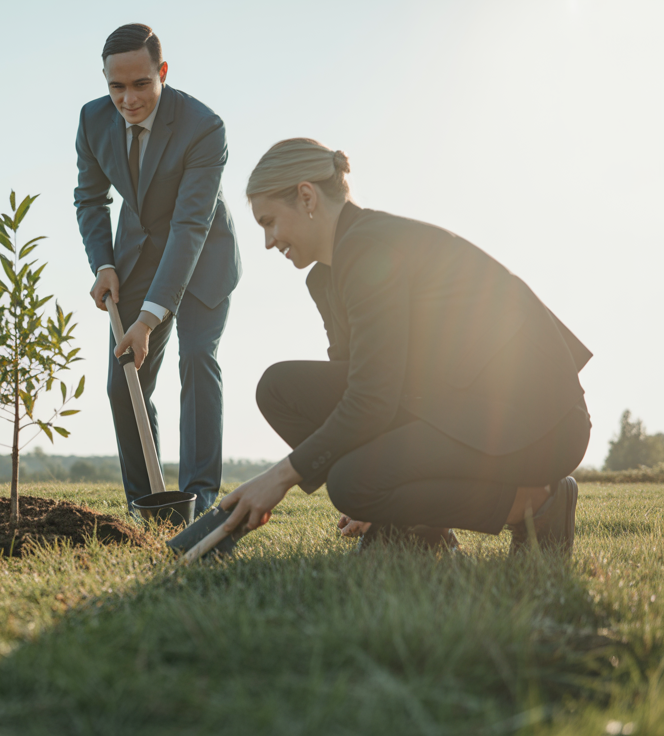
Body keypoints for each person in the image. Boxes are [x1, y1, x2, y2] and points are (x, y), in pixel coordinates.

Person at [215, 138, 591, 555]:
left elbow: (372, 398)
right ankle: (412, 527)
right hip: (455, 405)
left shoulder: (369, 245)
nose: (268, 241)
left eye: (269, 222)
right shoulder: (325, 277)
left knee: (351, 482)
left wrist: (279, 477)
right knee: (280, 389)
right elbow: (358, 382)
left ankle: (537, 505)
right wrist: (382, 495)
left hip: (537, 421)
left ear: (307, 197)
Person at [74, 24, 242, 515]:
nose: (128, 99)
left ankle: (199, 497)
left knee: (196, 357)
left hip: (203, 253)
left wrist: (149, 320)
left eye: (141, 84)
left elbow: (190, 225)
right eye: (116, 86)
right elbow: (90, 198)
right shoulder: (91, 121)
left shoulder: (204, 126)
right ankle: (147, 500)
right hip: (136, 257)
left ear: (162, 73)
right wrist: (104, 263)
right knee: (122, 380)